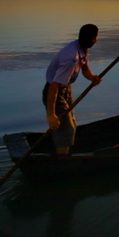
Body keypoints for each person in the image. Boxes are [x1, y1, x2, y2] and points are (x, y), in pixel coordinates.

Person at [43, 24, 103, 156]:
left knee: (70, 123)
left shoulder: (81, 48)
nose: (97, 39)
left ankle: (62, 151)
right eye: (97, 37)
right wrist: (51, 115)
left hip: (65, 89)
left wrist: (93, 78)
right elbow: (54, 85)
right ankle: (62, 160)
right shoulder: (71, 57)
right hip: (55, 92)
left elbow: (85, 69)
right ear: (93, 39)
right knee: (66, 129)